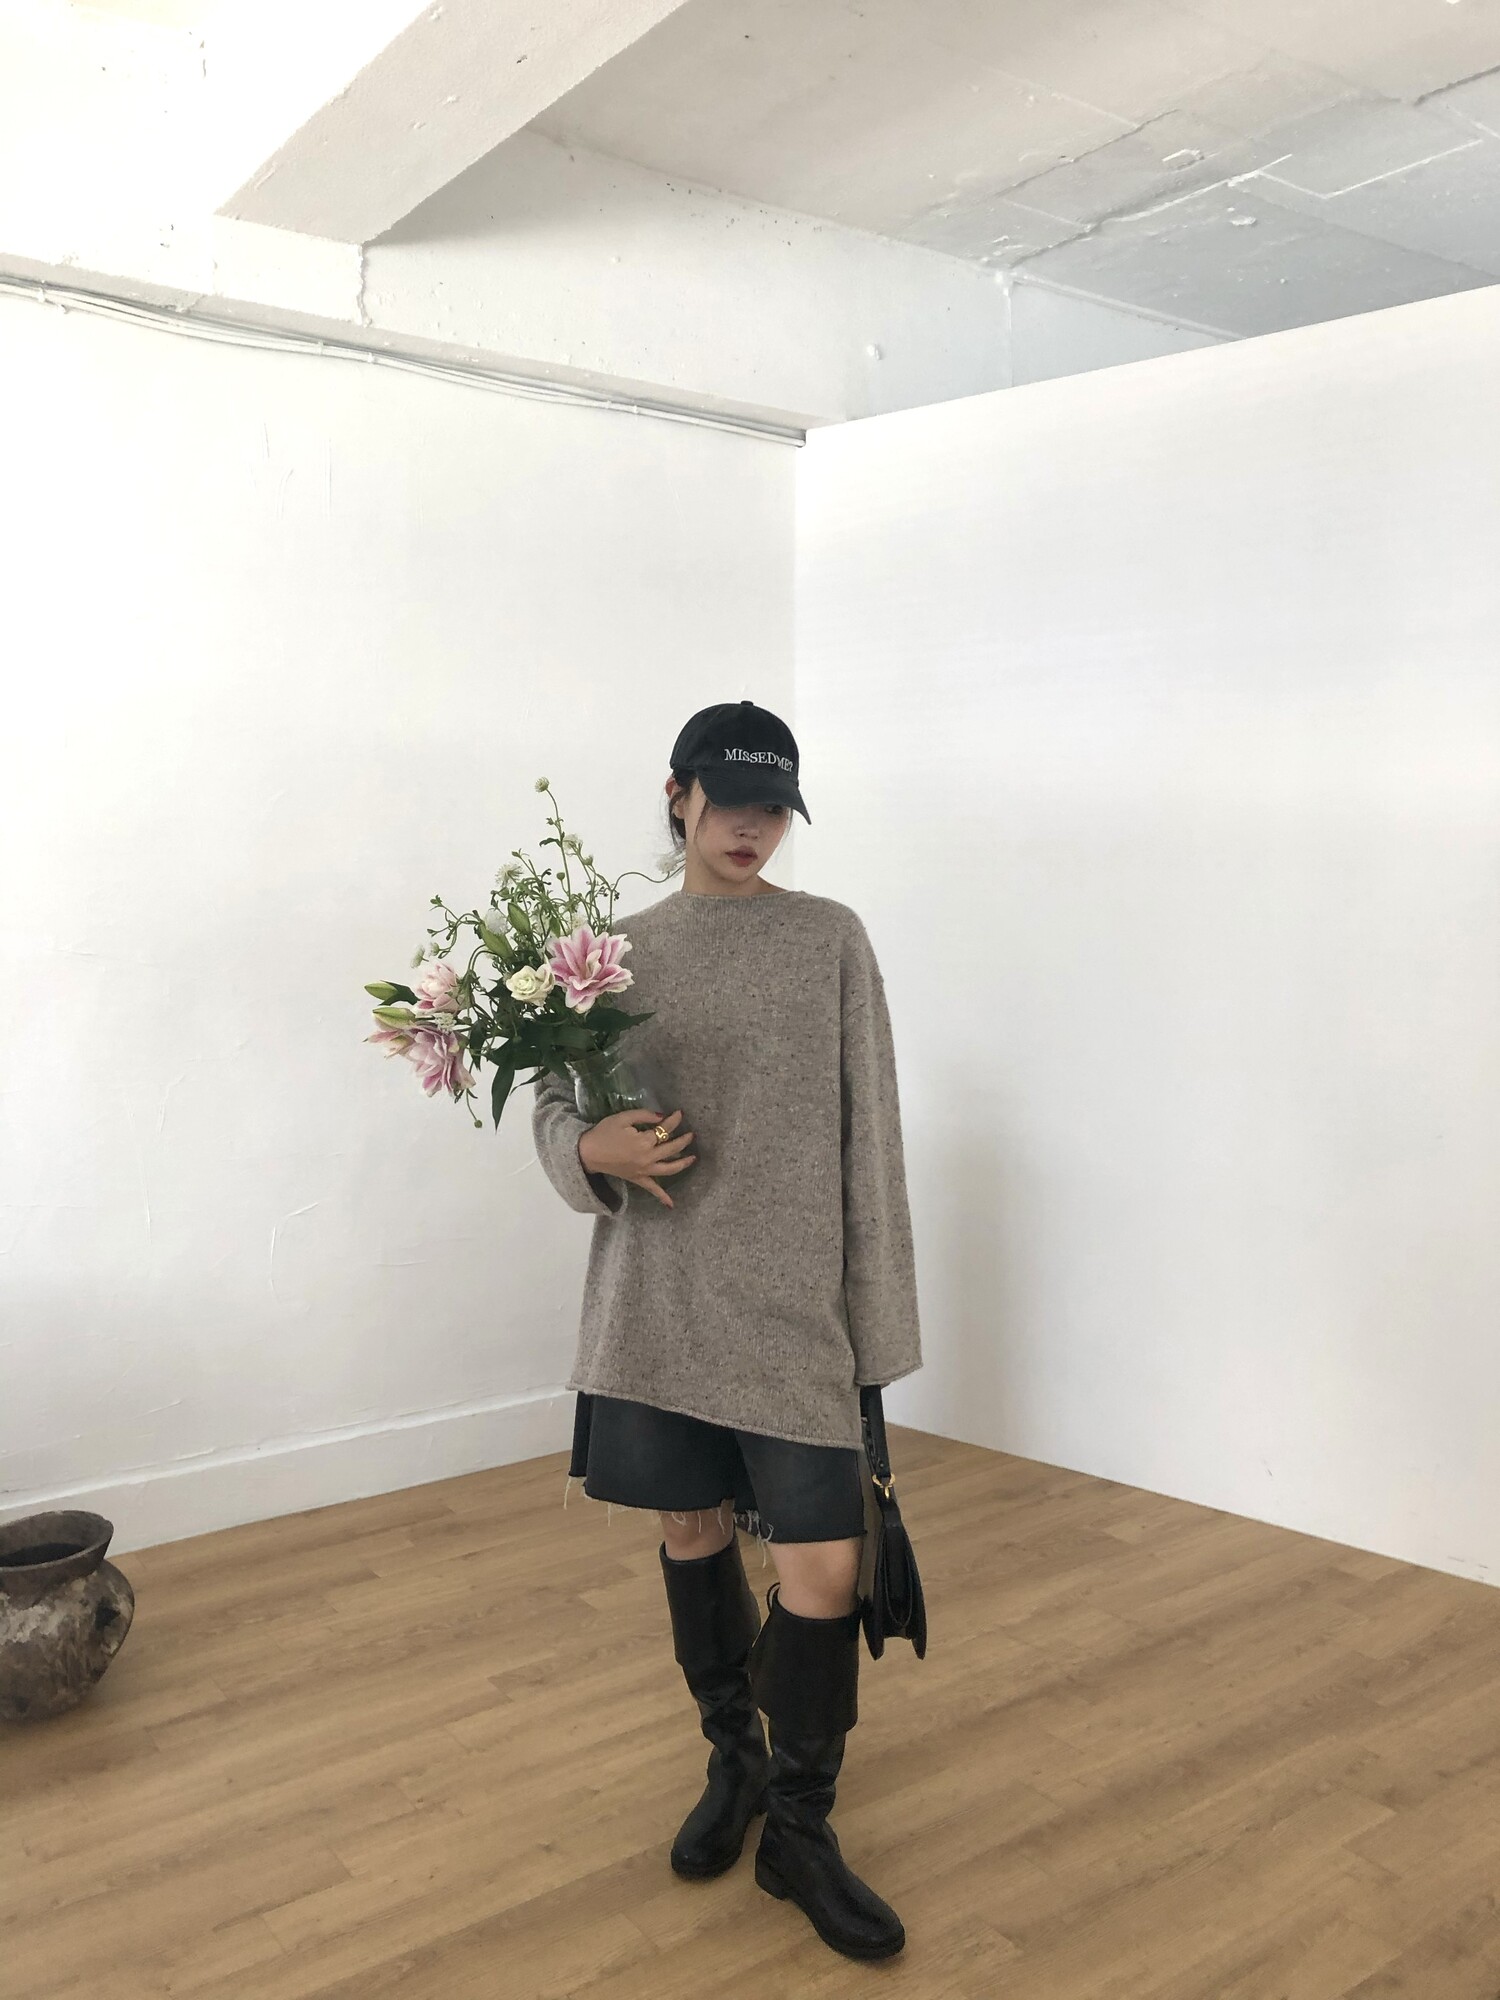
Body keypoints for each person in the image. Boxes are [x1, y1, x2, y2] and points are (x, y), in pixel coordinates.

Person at [530, 698, 923, 1963]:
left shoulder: (829, 939)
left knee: (825, 1568)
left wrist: (876, 1328)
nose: (750, 827)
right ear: (677, 794)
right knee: (691, 1532)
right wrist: (587, 1148)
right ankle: (736, 1759)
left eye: (772, 808)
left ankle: (801, 1827)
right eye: (728, 801)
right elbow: (554, 1099)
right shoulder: (613, 954)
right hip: (657, 1303)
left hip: (794, 1309)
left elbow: (872, 1132)